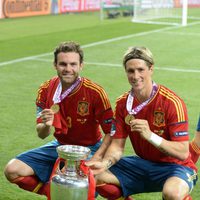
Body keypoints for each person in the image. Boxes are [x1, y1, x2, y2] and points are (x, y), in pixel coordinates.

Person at [4, 41, 114, 198]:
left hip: (89, 148)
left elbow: (111, 132)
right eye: (63, 64)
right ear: (55, 65)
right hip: (60, 146)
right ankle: (51, 192)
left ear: (81, 65)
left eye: (73, 64)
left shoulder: (95, 92)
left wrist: (96, 158)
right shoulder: (46, 89)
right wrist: (47, 125)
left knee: (82, 184)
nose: (68, 69)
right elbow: (41, 134)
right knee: (12, 170)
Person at [86, 46, 198, 200]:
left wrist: (150, 136)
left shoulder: (172, 103)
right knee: (94, 176)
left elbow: (183, 152)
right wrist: (104, 164)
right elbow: (117, 147)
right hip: (141, 164)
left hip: (175, 167)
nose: (135, 76)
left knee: (173, 193)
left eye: (140, 70)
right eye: (130, 71)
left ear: (151, 69)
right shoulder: (122, 104)